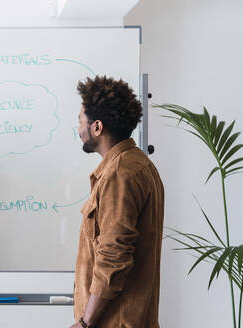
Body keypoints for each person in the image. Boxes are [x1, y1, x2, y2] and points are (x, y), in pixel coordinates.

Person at [71, 76, 164, 328]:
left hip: (114, 323)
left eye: (81, 122)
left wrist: (86, 322)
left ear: (97, 127)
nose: (79, 129)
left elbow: (114, 257)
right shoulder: (138, 165)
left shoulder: (120, 174)